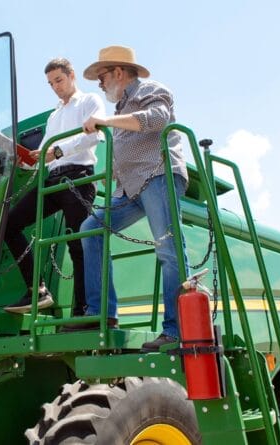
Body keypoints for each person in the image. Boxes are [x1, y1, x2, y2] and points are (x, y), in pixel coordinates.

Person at [73, 45, 189, 353]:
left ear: (120, 72)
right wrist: (111, 171)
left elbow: (156, 120)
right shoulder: (121, 109)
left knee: (168, 249)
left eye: (102, 76)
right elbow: (128, 146)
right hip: (130, 188)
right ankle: (101, 312)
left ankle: (176, 330)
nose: (99, 83)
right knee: (91, 228)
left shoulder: (151, 89)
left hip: (158, 175)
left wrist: (105, 122)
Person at [4, 58, 105, 315]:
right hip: (51, 180)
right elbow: (44, 156)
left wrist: (58, 150)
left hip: (77, 179)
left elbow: (94, 135)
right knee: (9, 225)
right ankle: (37, 290)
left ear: (72, 75)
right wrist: (25, 162)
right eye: (51, 84)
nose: (56, 87)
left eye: (59, 80)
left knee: (77, 245)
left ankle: (83, 312)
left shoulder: (90, 101)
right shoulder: (54, 115)